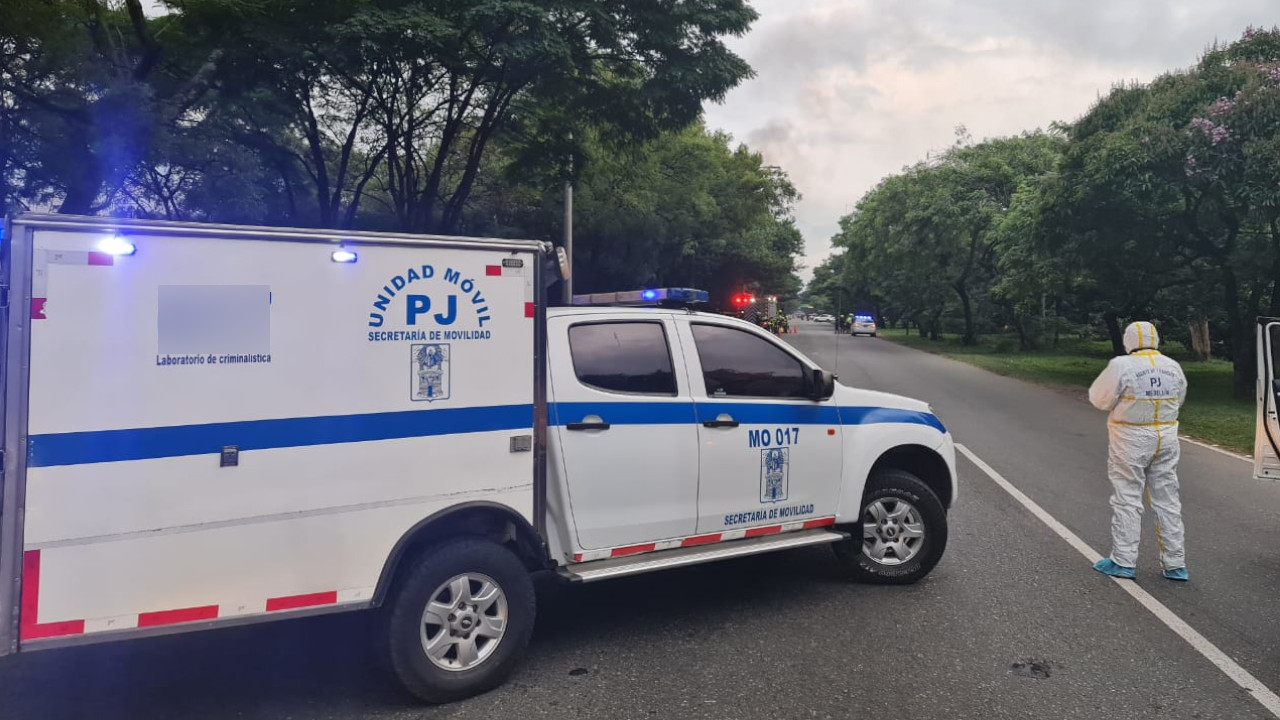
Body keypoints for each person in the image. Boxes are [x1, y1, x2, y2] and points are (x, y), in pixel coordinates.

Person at [1087, 321, 1189, 581]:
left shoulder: (1122, 365)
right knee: (1167, 498)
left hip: (1130, 437)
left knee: (1127, 497)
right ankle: (1176, 564)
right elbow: (1179, 398)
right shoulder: (1172, 366)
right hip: (1166, 437)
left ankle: (1123, 561)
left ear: (1128, 340)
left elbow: (1099, 398)